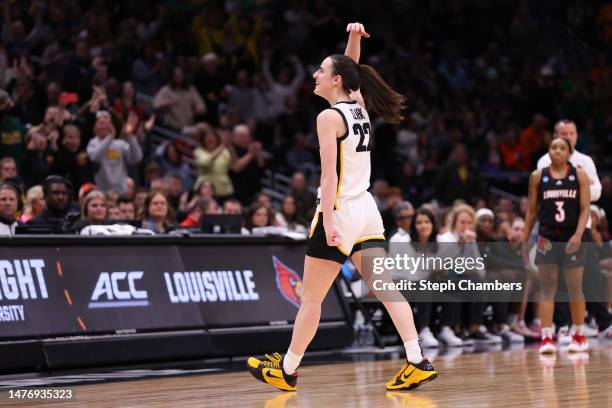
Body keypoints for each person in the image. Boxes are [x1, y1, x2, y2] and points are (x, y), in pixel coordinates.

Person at [247, 23, 437, 392]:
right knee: (387, 289)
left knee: (311, 298)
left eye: (321, 70)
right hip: (367, 209)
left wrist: (329, 224)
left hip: (341, 210)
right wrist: (353, 39)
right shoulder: (360, 109)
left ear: (335, 81)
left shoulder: (328, 117)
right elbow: (351, 70)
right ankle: (417, 360)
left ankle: (287, 369)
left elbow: (328, 178)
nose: (315, 75)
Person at [536, 119, 611, 339]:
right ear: (554, 136)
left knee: (591, 275)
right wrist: (580, 189)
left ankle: (604, 322)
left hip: (581, 226)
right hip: (552, 228)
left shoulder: (584, 161)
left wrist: (576, 186)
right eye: (562, 133)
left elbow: (596, 192)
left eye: (571, 133)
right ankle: (562, 325)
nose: (567, 137)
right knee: (555, 279)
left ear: (576, 136)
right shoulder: (543, 162)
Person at [523, 137, 591, 353]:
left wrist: (579, 235)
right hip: (547, 236)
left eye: (562, 148)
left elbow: (585, 209)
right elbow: (532, 211)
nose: (558, 151)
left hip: (572, 235)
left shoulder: (579, 174)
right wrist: (525, 241)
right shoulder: (537, 176)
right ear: (549, 151)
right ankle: (546, 337)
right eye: (554, 147)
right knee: (547, 288)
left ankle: (579, 335)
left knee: (574, 287)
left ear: (569, 153)